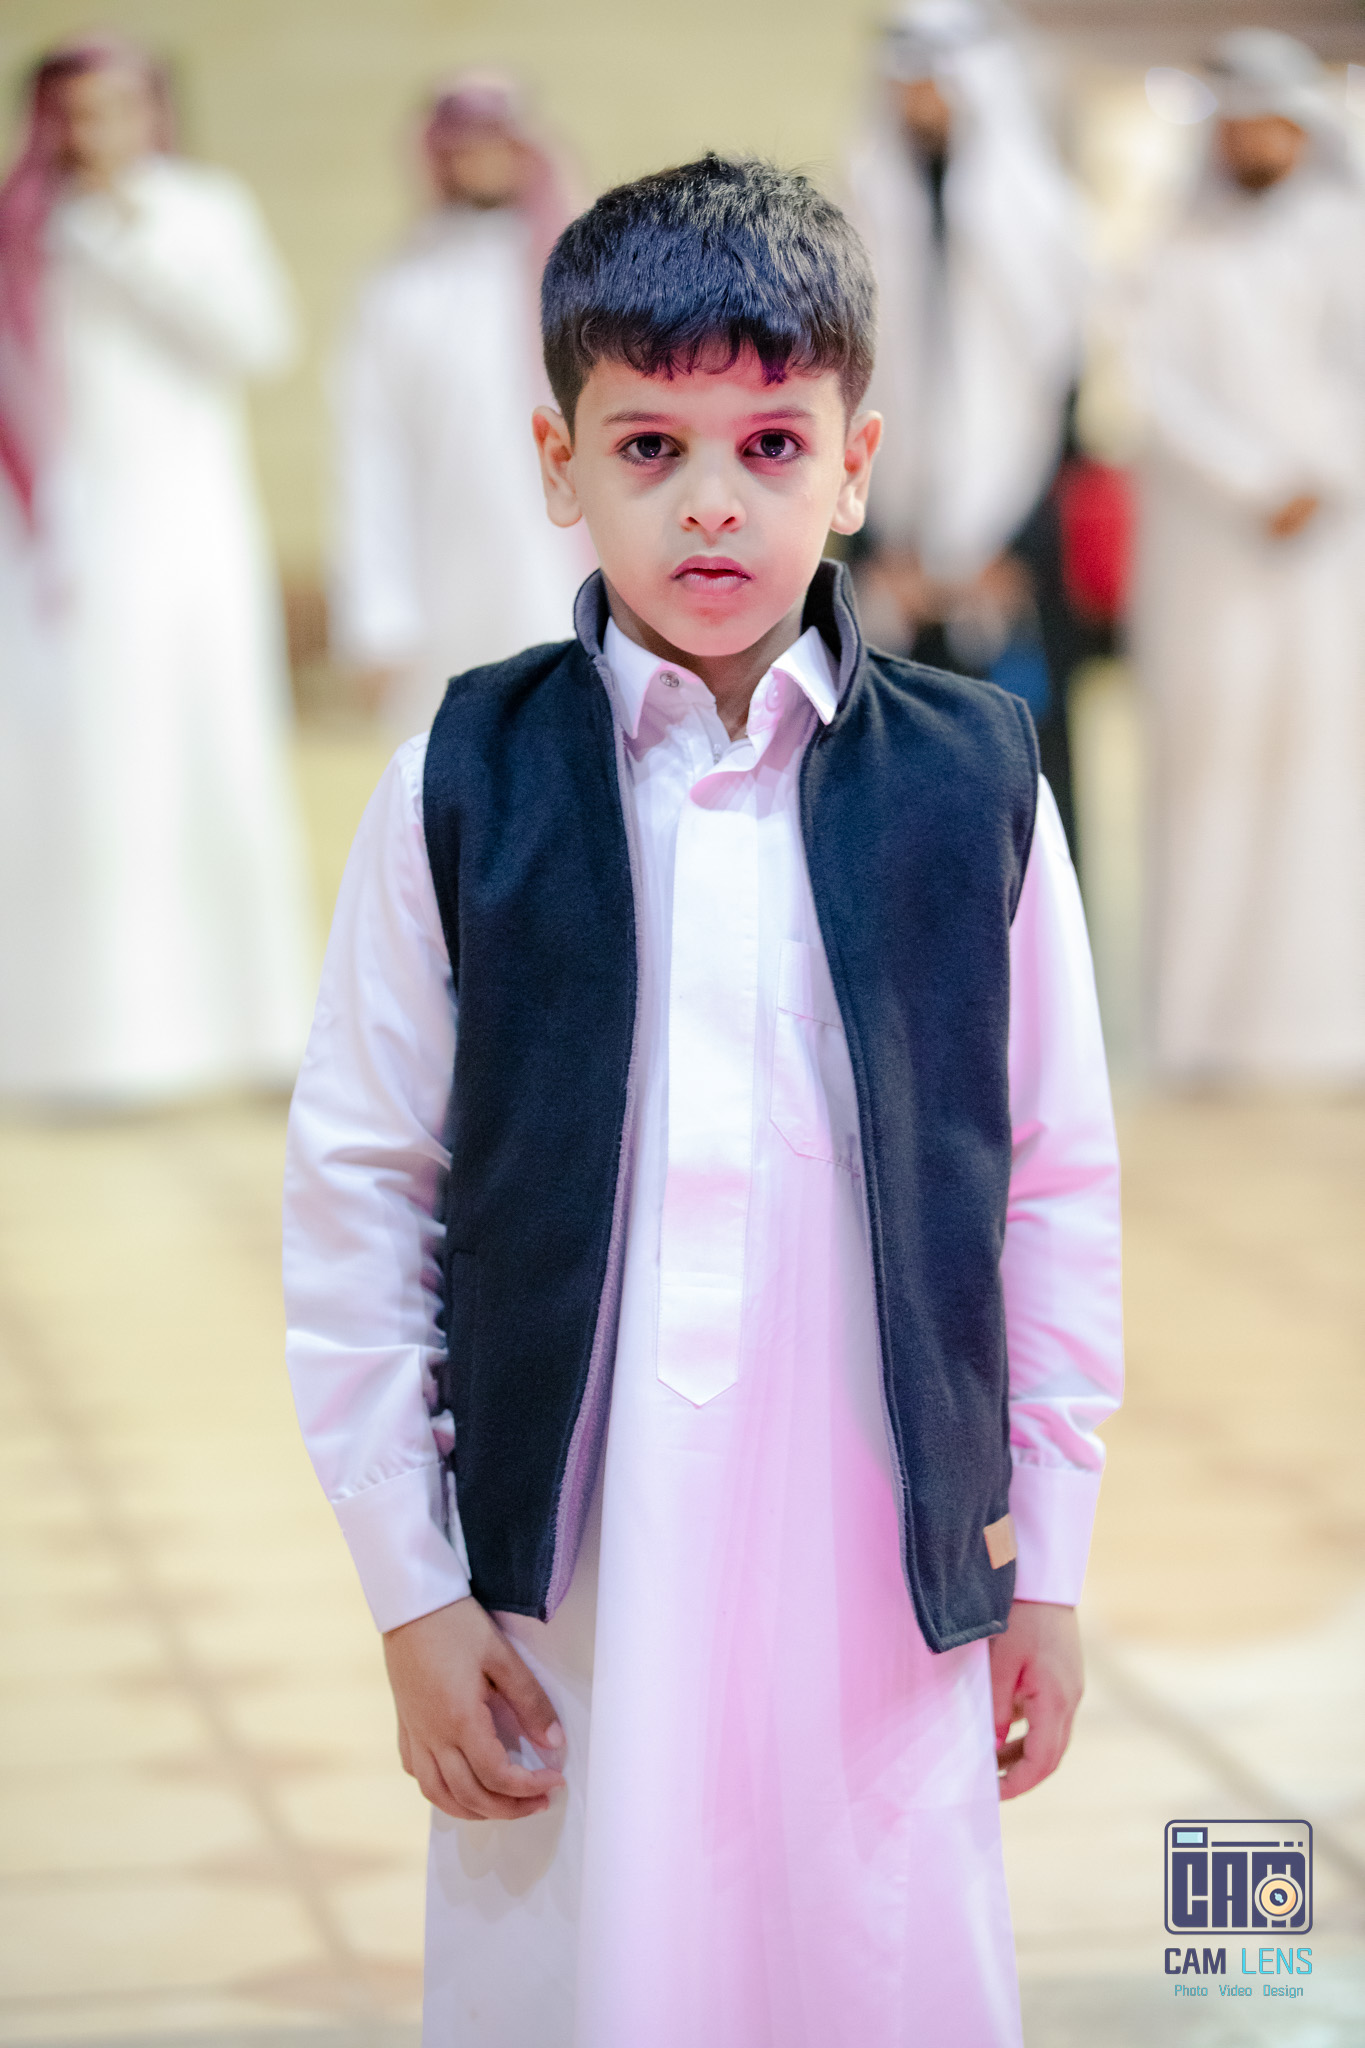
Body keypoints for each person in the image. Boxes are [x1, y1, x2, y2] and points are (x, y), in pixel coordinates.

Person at [284, 156, 1123, 2047]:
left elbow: (1054, 1180)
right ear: (558, 461)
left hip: (883, 1557)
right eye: (650, 447)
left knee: (870, 1954)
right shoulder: (461, 782)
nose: (713, 501)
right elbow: (361, 1191)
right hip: (570, 1579)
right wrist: (413, 1592)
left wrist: (1046, 1564)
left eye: (771, 445)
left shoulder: (976, 780)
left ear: (857, 463)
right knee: (600, 1956)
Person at [0, 37, 314, 1103]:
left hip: (190, 538)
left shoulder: (200, 211)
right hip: (56, 550)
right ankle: (95, 1045)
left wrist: (135, 240)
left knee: (207, 757)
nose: (97, 134)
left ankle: (247, 1029)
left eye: (118, 109)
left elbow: (260, 341)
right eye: (78, 113)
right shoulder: (21, 226)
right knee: (87, 774)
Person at [1130, 29, 1365, 1081]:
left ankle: (1322, 1026)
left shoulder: (1346, 235)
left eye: (1269, 123)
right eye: (1235, 124)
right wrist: (1254, 483)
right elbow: (1153, 388)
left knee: (1322, 771)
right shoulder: (1176, 247)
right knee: (1210, 772)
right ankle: (1205, 1027)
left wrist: (1319, 478)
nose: (1252, 141)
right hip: (1207, 554)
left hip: (1331, 548)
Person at [846, 0, 1089, 852]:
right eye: (905, 82)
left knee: (1018, 790)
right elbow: (839, 392)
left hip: (1009, 563)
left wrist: (1011, 548)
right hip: (893, 562)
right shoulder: (861, 214)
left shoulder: (1038, 220)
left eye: (937, 81)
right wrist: (878, 545)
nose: (920, 101)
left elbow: (1060, 398)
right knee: (888, 786)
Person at [330, 72, 593, 738]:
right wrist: (379, 614)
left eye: (495, 141)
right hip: (446, 574)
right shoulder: (403, 286)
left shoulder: (583, 274)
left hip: (568, 561)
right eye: (464, 144)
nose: (481, 159)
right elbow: (373, 452)